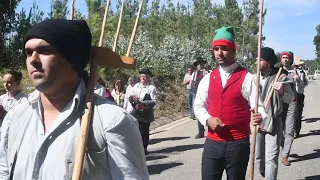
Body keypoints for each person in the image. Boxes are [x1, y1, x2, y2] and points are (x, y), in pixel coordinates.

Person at [0, 19, 149, 179]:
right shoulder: (14, 119)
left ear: (72, 59)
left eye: (44, 50)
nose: (33, 59)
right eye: (28, 52)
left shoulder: (112, 121)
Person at [194, 26, 266, 180]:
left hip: (238, 145)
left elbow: (258, 106)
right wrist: (207, 119)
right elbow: (198, 106)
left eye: (224, 48)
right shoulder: (207, 78)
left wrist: (259, 116)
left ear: (234, 50)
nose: (219, 53)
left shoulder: (246, 78)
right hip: (212, 144)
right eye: (216, 49)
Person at [255, 47, 294, 179]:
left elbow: (290, 98)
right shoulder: (254, 78)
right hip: (257, 121)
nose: (256, 61)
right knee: (258, 157)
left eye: (260, 59)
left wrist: (282, 91)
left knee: (271, 158)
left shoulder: (280, 77)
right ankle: (263, 172)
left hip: (274, 121)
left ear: (268, 62)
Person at [129, 68, 157, 155]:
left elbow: (154, 101)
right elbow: (131, 96)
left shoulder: (151, 88)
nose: (143, 78)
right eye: (141, 76)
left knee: (144, 131)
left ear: (148, 78)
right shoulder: (136, 86)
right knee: (135, 130)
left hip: (146, 113)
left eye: (145, 77)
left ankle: (144, 148)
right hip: (135, 112)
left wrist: (143, 103)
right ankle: (136, 147)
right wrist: (132, 100)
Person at [279, 51, 298, 166]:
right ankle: (283, 145)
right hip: (280, 103)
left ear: (290, 60)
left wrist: (298, 79)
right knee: (279, 129)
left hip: (292, 102)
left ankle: (285, 155)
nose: (285, 59)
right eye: (283, 57)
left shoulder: (294, 72)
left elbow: (303, 85)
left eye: (287, 58)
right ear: (281, 59)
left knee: (289, 130)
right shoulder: (277, 71)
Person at [191, 57, 208, 139]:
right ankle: (201, 131)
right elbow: (192, 83)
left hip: (208, 95)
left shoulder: (208, 73)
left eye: (201, 63)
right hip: (197, 94)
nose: (200, 65)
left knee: (210, 112)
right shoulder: (194, 74)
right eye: (198, 64)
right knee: (199, 112)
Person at [295, 61, 308, 138]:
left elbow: (305, 84)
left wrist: (301, 78)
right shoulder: (289, 71)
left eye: (301, 65)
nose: (300, 66)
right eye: (298, 65)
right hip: (290, 94)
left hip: (299, 94)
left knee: (298, 114)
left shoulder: (303, 73)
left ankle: (296, 131)